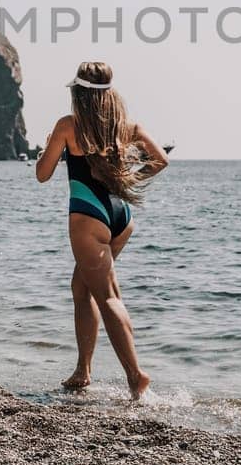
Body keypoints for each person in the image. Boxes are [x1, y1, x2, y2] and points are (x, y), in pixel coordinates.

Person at [34, 61, 170, 399]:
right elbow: (160, 160)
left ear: (78, 93)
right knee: (81, 287)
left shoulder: (68, 126)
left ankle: (136, 376)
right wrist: (125, 180)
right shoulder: (126, 127)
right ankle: (84, 370)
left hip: (89, 218)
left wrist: (46, 150)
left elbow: (42, 174)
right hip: (120, 216)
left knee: (108, 296)